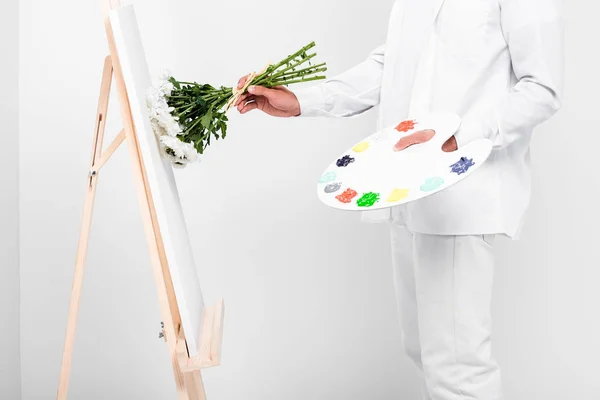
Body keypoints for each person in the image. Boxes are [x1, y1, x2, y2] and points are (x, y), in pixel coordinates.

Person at [235, 0, 564, 398]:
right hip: (406, 191)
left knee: (458, 370)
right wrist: (303, 100)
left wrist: (457, 137)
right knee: (423, 352)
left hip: (463, 199)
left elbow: (541, 87)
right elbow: (392, 64)